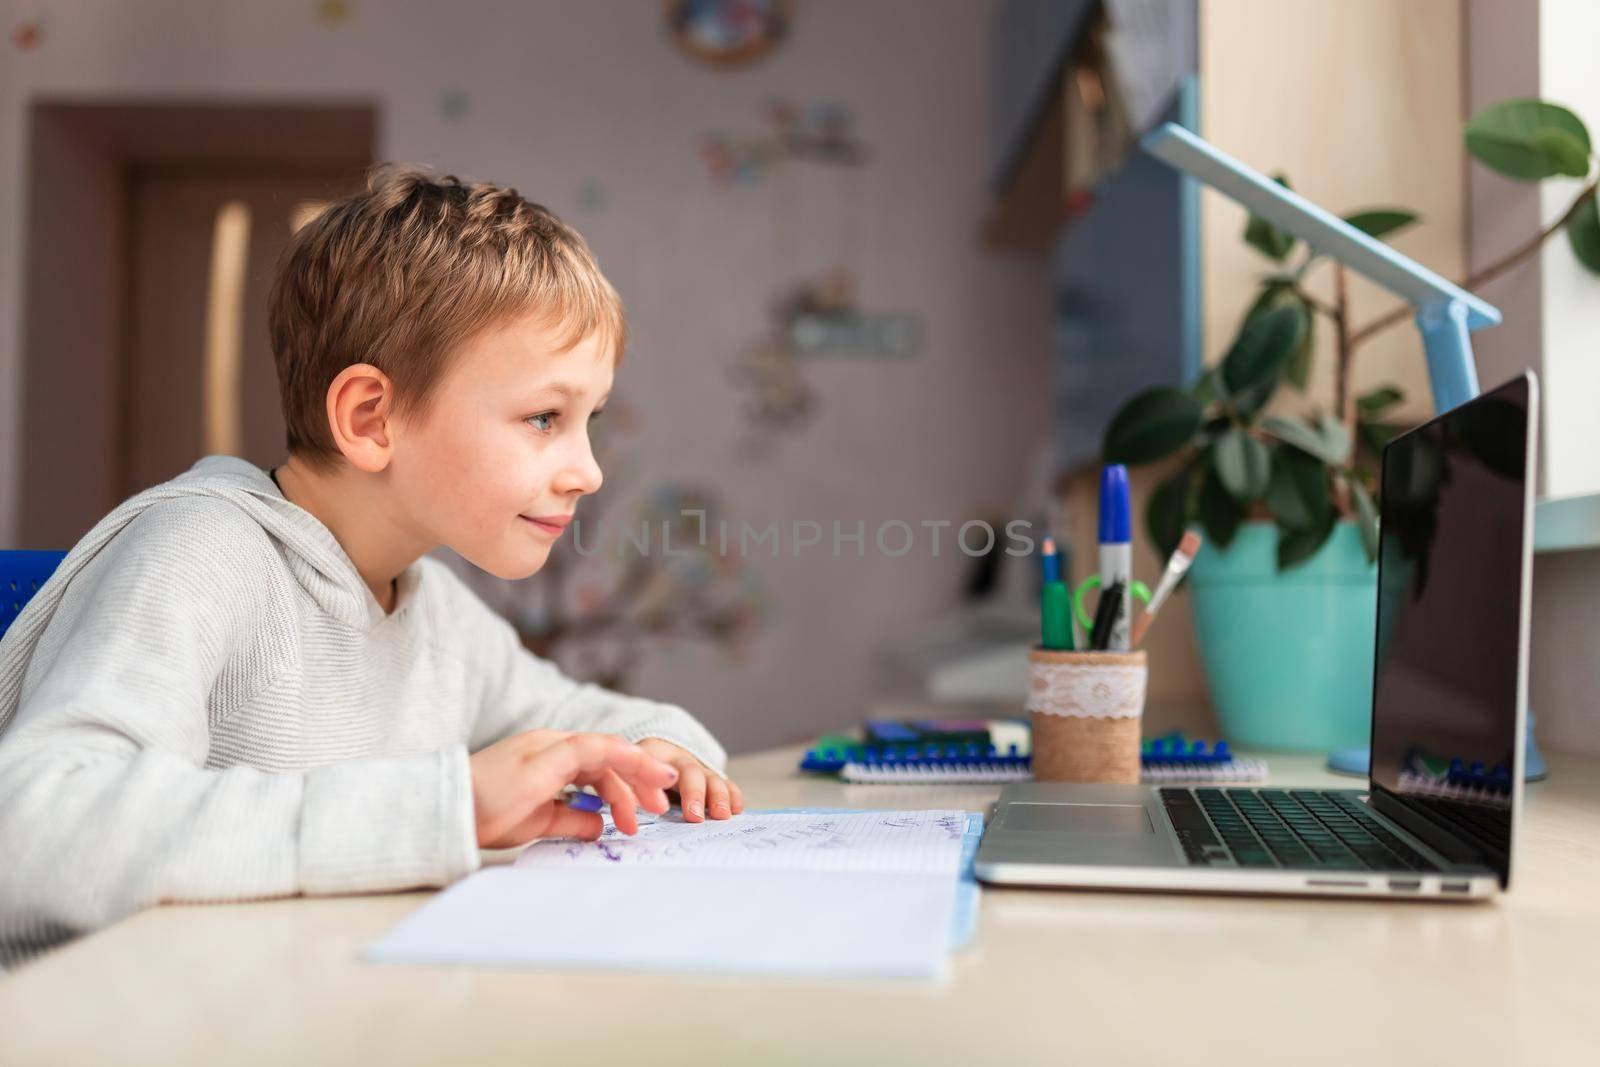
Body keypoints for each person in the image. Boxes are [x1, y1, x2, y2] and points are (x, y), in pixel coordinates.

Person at [0, 165, 741, 966]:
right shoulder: (201, 555)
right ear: (371, 418)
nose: (587, 471)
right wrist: (442, 809)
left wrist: (660, 749)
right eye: (543, 418)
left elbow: (575, 716)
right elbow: (32, 826)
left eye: (586, 421)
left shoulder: (432, 604)